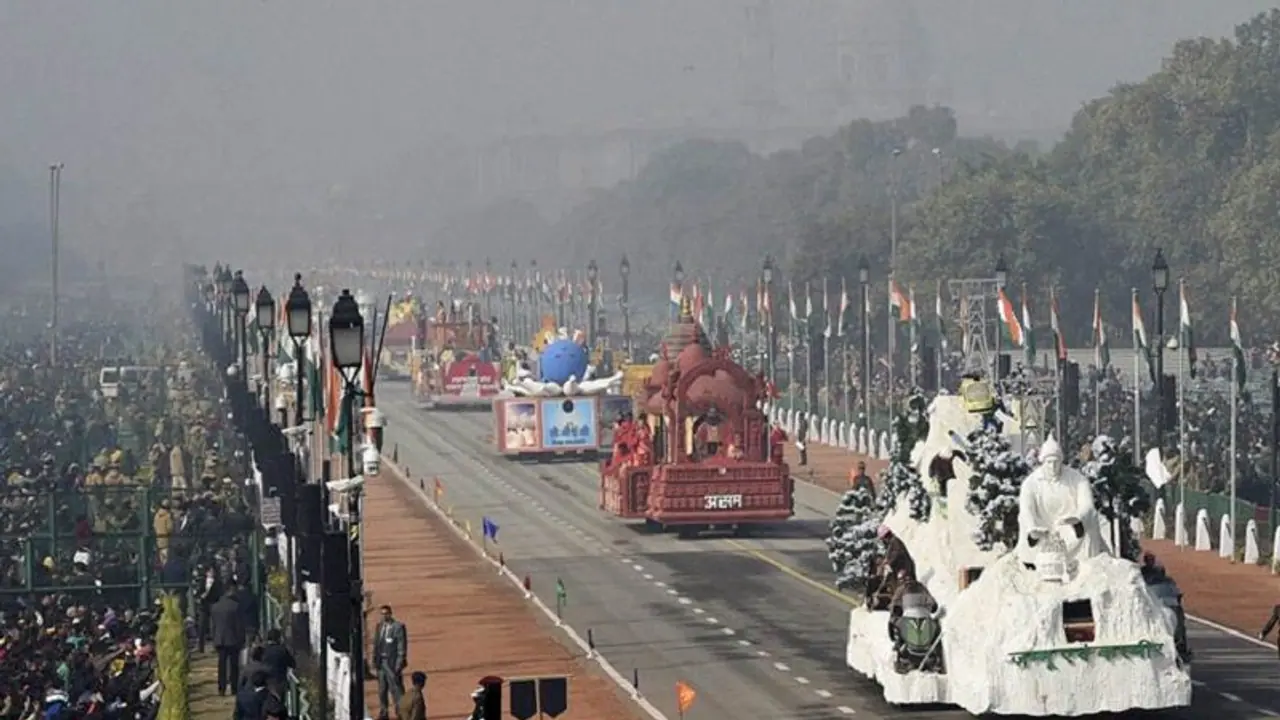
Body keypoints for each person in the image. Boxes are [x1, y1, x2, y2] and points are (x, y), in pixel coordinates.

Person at [373, 604, 409, 720]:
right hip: (381, 662)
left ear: (390, 614)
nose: (384, 616)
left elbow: (401, 647)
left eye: (386, 614)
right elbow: (376, 645)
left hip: (392, 663)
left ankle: (401, 713)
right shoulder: (379, 627)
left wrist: (399, 664)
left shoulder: (398, 627)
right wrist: (375, 661)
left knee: (396, 690)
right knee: (382, 690)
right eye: (382, 614)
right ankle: (384, 712)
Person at [211, 587, 246, 695]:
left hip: (220, 639)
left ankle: (221, 688)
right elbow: (239, 625)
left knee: (221, 665)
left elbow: (213, 625)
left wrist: (214, 638)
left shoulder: (215, 607)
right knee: (234, 665)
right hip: (233, 639)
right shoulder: (235, 606)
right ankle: (234, 688)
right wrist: (241, 639)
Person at [261, 628, 297, 696]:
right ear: (278, 638)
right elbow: (293, 664)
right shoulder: (282, 650)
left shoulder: (263, 651)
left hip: (266, 683)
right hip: (280, 683)